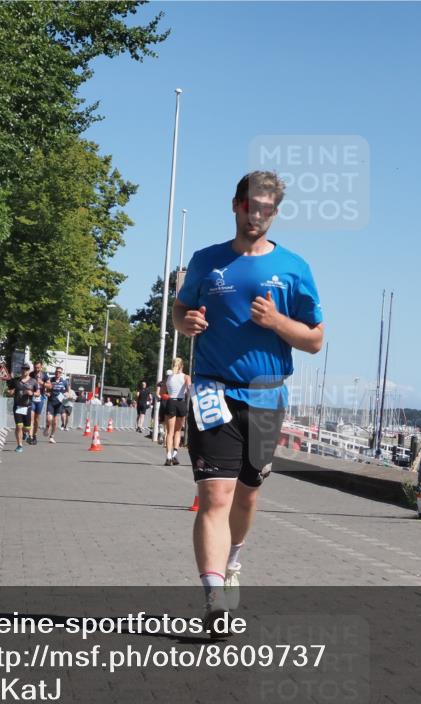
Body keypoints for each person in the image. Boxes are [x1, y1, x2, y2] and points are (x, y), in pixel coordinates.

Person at [172, 171, 323, 632]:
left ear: (274, 214)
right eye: (251, 206)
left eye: (267, 209)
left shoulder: (295, 269)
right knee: (215, 495)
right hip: (213, 390)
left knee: (247, 496)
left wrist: (278, 321)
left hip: (266, 395)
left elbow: (315, 340)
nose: (257, 215)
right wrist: (186, 323)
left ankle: (233, 558)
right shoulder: (206, 261)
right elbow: (181, 310)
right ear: (236, 205)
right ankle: (215, 597)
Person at [163, 358, 191, 465]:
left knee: (169, 432)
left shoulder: (168, 377)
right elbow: (189, 389)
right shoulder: (186, 376)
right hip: (181, 403)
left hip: (171, 402)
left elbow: (161, 392)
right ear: (182, 366)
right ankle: (174, 454)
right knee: (178, 431)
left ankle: (168, 456)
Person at [11, 364, 38, 453]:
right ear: (21, 369)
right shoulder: (15, 380)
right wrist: (10, 392)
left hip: (27, 407)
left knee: (27, 428)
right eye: (23, 369)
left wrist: (32, 393)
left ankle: (25, 433)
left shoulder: (33, 381)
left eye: (27, 369)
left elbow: (38, 393)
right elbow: (9, 390)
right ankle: (19, 445)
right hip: (17, 406)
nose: (25, 370)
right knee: (19, 426)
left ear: (29, 370)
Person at [44, 366, 70, 443]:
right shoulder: (50, 380)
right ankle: (47, 427)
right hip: (51, 402)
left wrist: (66, 395)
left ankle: (52, 436)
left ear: (61, 373)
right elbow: (45, 389)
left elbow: (68, 391)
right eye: (56, 372)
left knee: (55, 422)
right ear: (55, 372)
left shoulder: (64, 382)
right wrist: (46, 393)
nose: (57, 373)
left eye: (59, 372)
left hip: (59, 404)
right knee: (49, 419)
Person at [29, 361, 48, 445]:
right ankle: (30, 436)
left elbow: (50, 385)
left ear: (41, 367)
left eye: (38, 367)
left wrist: (42, 383)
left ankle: (35, 434)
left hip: (40, 399)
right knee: (31, 418)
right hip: (32, 398)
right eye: (35, 367)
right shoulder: (31, 374)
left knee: (37, 419)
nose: (36, 369)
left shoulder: (44, 375)